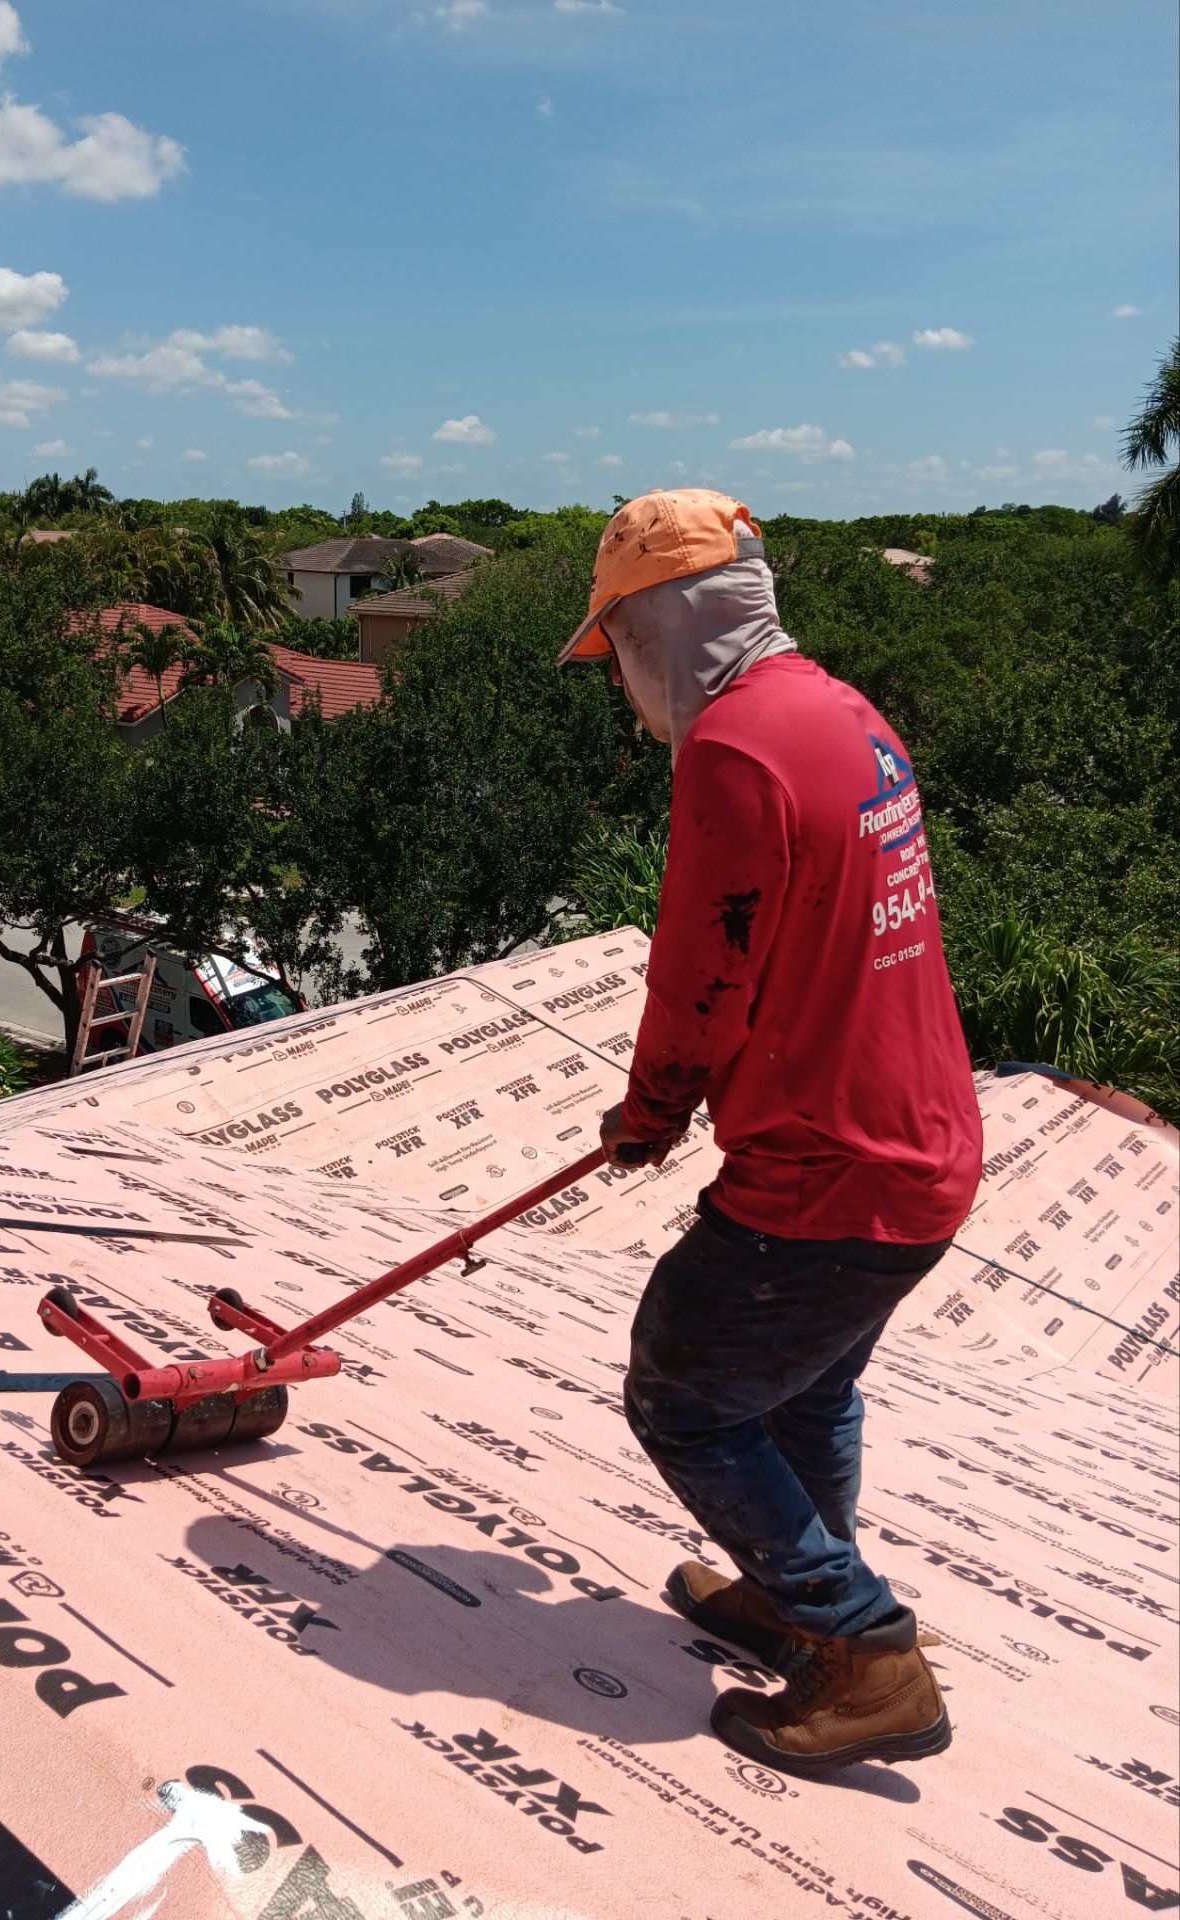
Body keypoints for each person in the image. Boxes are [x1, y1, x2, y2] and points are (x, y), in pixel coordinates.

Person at [559, 488, 982, 1778]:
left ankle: (865, 1651)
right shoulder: (842, 713)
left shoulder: (736, 749)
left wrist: (651, 1111)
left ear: (661, 625)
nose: (623, 674)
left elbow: (699, 969)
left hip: (829, 1161)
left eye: (621, 643)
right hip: (923, 1139)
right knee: (804, 1385)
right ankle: (799, 1598)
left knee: (683, 1396)